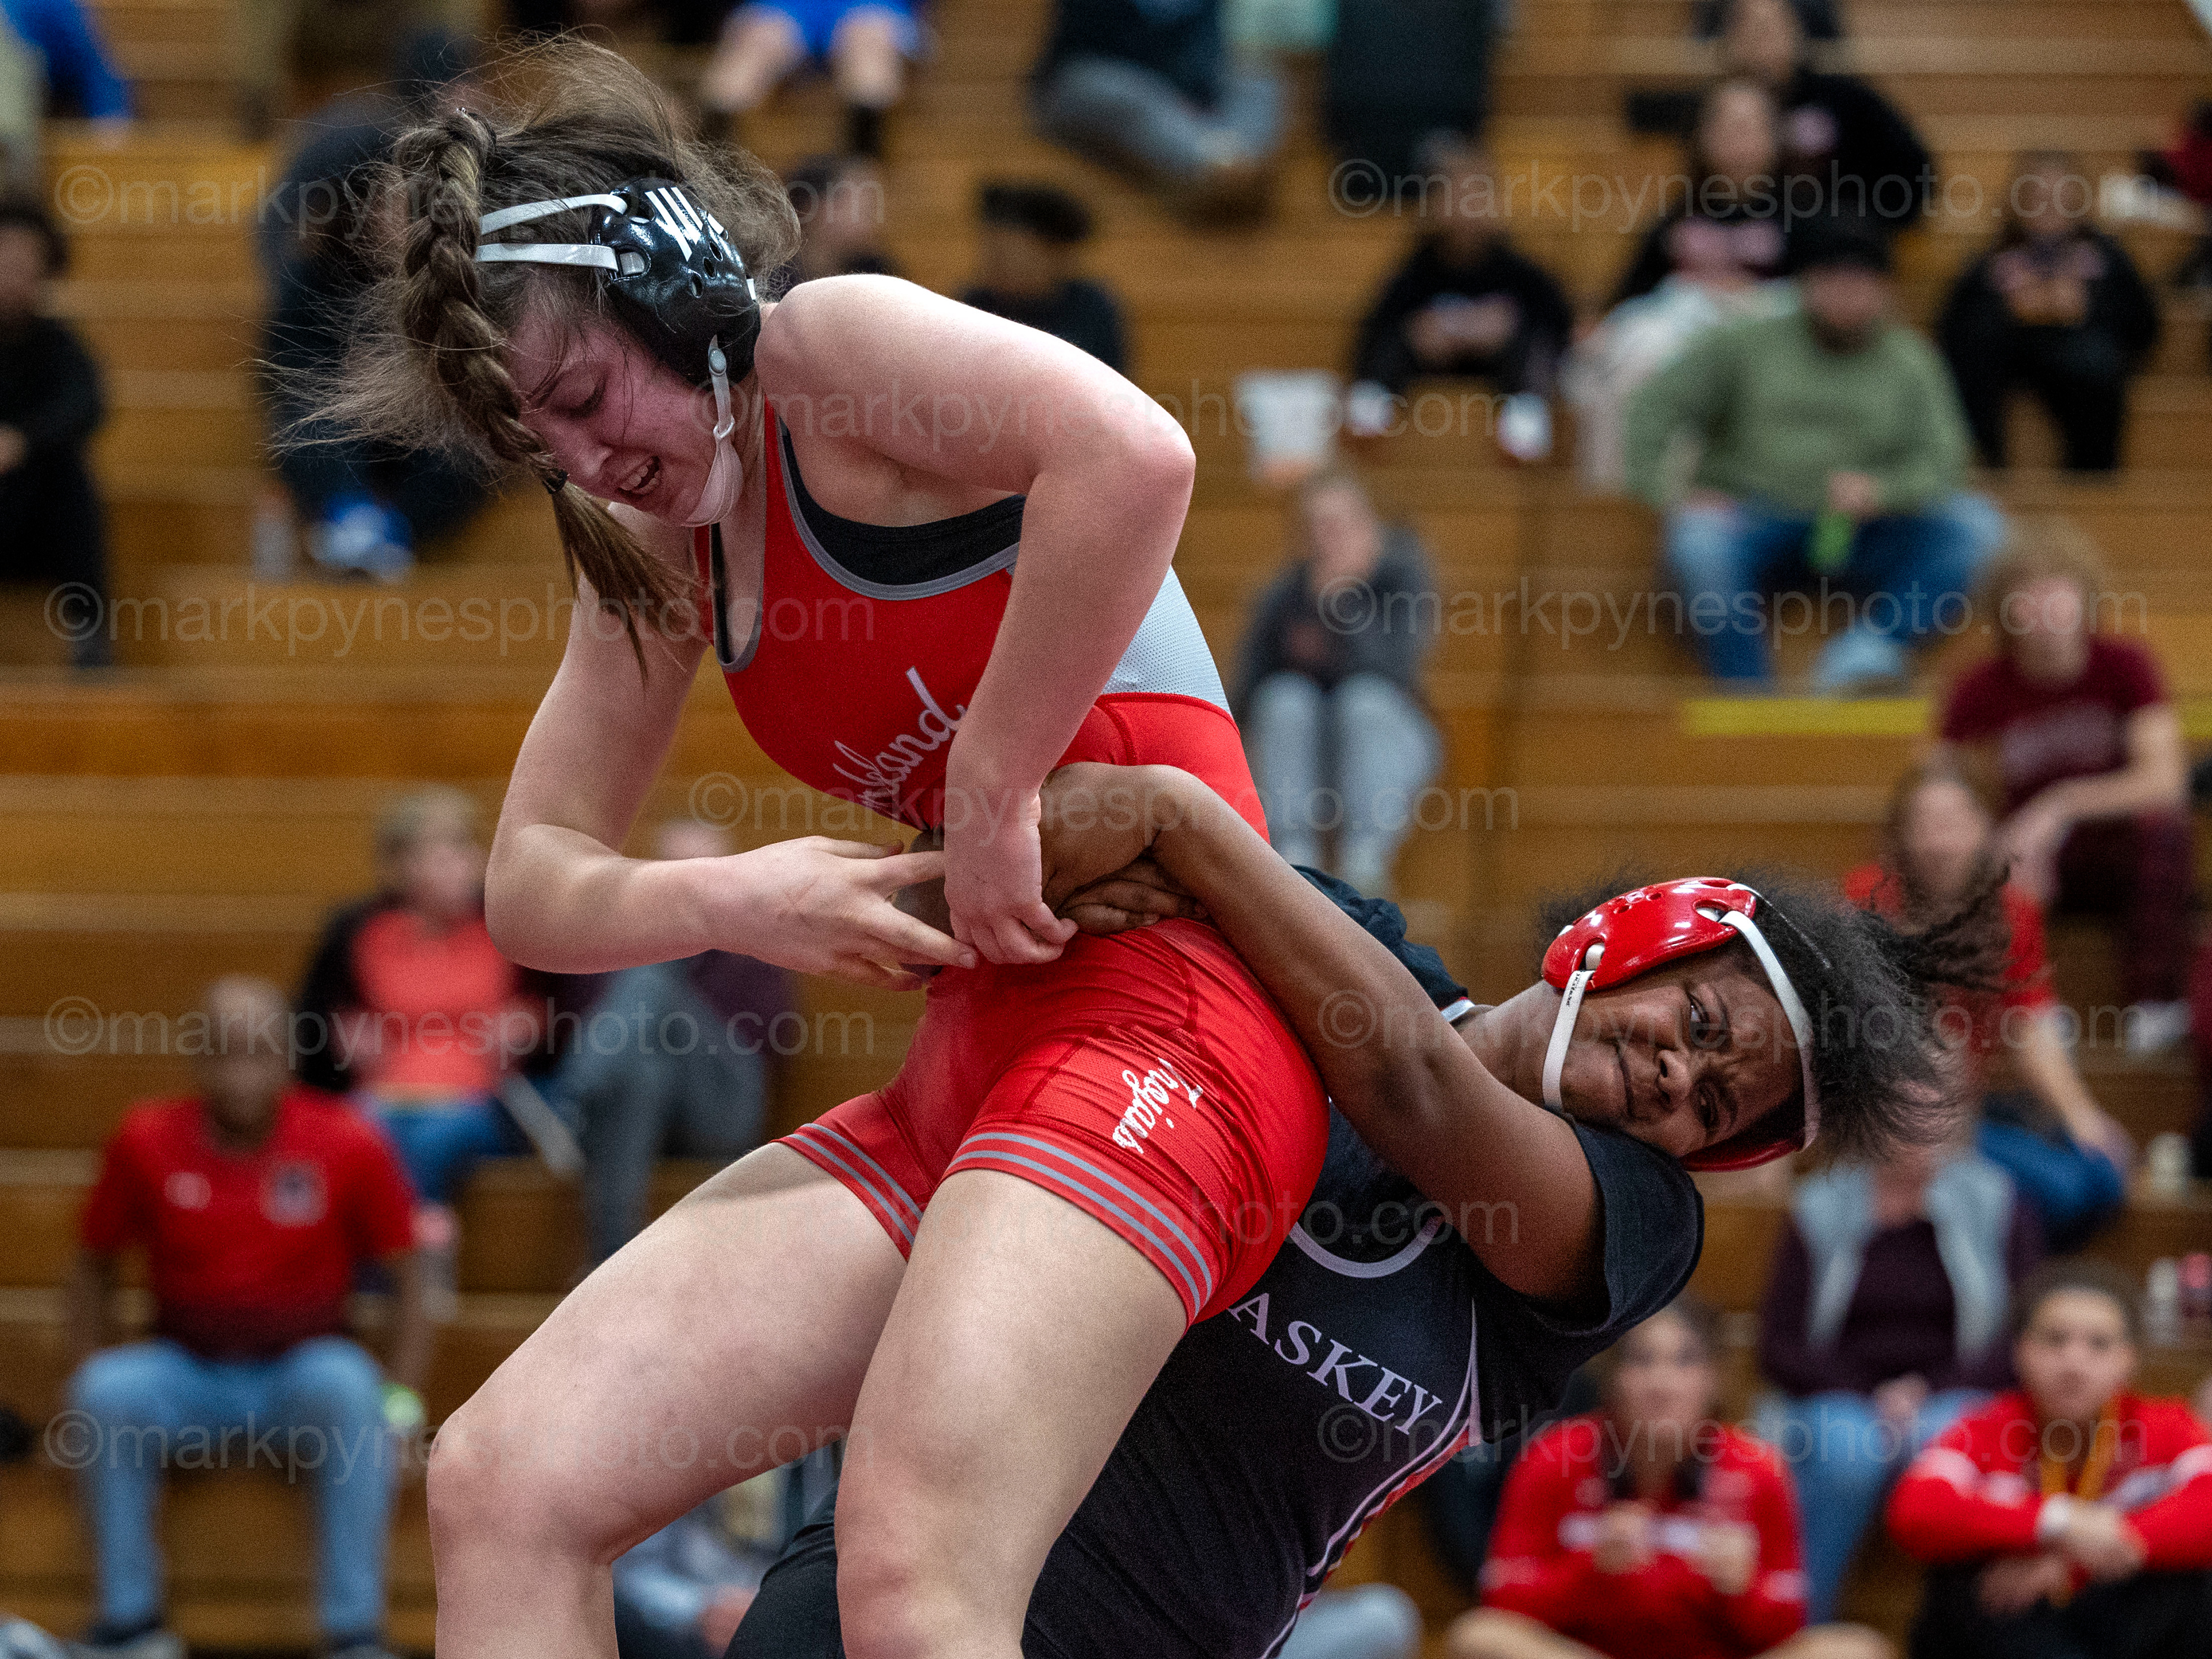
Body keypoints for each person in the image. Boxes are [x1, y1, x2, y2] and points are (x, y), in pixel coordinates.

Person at [306, 39, 1328, 1659]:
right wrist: (737, 895)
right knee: (504, 1482)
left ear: (675, 291)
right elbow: (534, 879)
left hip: (1175, 1028)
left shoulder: (831, 354)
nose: (586, 461)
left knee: (910, 1584)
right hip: (975, 1064)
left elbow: (1137, 458)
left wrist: (989, 787)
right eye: (538, 447)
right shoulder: (654, 539)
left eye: (583, 398)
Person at [722, 751, 2010, 1659]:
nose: (1681, 1077)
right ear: (1641, 935)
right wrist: (1096, 869)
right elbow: (969, 894)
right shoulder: (1336, 933)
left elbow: (1413, 1083)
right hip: (873, 1592)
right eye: (1702, 1023)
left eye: (1715, 1106)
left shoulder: (1639, 1227)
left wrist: (1179, 827)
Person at [63, 977, 429, 1659]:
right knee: (106, 1393)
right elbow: (91, 1266)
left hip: (302, 1371)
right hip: (185, 1371)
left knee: (353, 1388)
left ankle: (354, 1633)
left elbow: (411, 1281)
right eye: (224, 1052)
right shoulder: (146, 1138)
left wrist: (403, 1404)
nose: (240, 1072)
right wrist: (87, 1359)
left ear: (288, 1056)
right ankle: (130, 1624)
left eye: (257, 1052)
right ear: (197, 1058)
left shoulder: (346, 1140)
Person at [1627, 217, 2002, 691]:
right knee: (1697, 541)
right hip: (1752, 519)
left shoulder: (1913, 363)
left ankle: (1868, 650)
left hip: (1865, 529)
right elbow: (1655, 405)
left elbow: (1946, 459)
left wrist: (1885, 491)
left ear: (1886, 291)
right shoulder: (1745, 343)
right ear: (1804, 284)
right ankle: (1748, 695)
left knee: (1978, 526)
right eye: (1833, 282)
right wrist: (1670, 491)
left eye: (1861, 284)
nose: (1847, 298)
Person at [1453, 1297, 1888, 1659]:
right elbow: (1502, 1598)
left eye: (1685, 1361)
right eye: (1642, 1361)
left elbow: (1788, 1619)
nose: (1661, 1383)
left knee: (1855, 1650)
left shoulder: (1757, 1468)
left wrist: (1741, 1589)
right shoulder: (1555, 1458)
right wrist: (1588, 1570)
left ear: (1713, 1381)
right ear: (1614, 1380)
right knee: (1479, 1637)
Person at [293, 786, 568, 1305]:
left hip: (479, 1100)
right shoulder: (360, 933)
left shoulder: (510, 928)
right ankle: (408, 1252)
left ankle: (397, 1272)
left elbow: (564, 1022)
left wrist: (532, 1030)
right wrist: (341, 1045)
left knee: (436, 1139)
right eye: (444, 850)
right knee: (361, 1133)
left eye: (468, 847)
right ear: (401, 867)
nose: (466, 863)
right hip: (386, 1091)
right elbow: (313, 1033)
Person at [1755, 1131, 2041, 1622]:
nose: (1919, 1126)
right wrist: (1871, 1392)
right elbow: (1778, 1346)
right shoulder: (1819, 1206)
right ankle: (1800, 1626)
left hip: (1954, 1388)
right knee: (1849, 1453)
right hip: (1840, 1391)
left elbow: (2024, 1336)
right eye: (1903, 1106)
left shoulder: (1995, 1201)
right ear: (1870, 1115)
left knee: (1947, 1443)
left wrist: (1928, 1389)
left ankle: (1965, 1628)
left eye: (1932, 1107)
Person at [1933, 522, 2195, 1056]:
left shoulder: (2126, 665)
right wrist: (1997, 837)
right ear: (2005, 609)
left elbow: (2166, 781)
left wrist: (2058, 805)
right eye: (2026, 593)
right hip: (2030, 863)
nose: (2044, 606)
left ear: (2086, 594)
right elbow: (1932, 788)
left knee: (2165, 829)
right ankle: (2030, 1011)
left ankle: (2156, 1003)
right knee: (1963, 859)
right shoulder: (1981, 686)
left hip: (2120, 857)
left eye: (2057, 588)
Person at [1846, 763, 2132, 1249]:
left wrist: (2081, 1115)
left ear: (1984, 829)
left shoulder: (2011, 910)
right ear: (1902, 836)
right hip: (1898, 1117)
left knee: (2104, 1176)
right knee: (2062, 1192)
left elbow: (2031, 1023)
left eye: (1957, 822)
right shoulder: (1866, 900)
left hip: (1972, 1109)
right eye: (1927, 825)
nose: (1943, 842)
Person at [1886, 1258, 2212, 1658]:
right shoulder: (1985, 1427)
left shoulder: (2169, 1427)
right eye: (2055, 1340)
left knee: (2193, 1578)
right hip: (2013, 1625)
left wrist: (2074, 1562)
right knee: (1958, 1576)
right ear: (2020, 1350)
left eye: (2099, 1344)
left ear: (2129, 1358)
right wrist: (2058, 1522)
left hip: (2121, 1619)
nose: (2074, 1363)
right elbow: (1916, 1511)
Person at [259, 31, 493, 581]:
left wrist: (406, 380)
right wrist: (349, 385)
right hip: (342, 418)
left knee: (472, 447)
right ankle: (351, 519)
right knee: (304, 426)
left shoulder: (452, 273)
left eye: (414, 203)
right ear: (362, 211)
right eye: (391, 202)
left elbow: (484, 361)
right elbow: (287, 367)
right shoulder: (318, 277)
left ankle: (390, 530)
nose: (402, 217)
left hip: (429, 420)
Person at [548, 817, 791, 1266]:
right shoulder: (616, 941)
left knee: (652, 980)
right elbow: (569, 1021)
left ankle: (573, 1096)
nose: (692, 885)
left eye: (706, 871)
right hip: (636, 1108)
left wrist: (677, 1008)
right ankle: (609, 1259)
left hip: (721, 1109)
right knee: (641, 1073)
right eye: (678, 871)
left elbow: (768, 1040)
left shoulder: (759, 942)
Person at [1569, 77, 1796, 493]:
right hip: (1679, 339)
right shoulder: (1677, 217)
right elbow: (1631, 296)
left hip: (1761, 345)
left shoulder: (1802, 217)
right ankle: (1622, 501)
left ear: (1774, 139)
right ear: (1704, 139)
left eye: (1750, 129)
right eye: (1727, 128)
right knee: (1630, 358)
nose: (1739, 142)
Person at [1231, 467, 1440, 896]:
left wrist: (1344, 602)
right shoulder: (1286, 592)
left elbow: (1395, 673)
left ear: (1369, 526)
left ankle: (1365, 861)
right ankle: (1294, 859)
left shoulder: (1401, 581)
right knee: (1285, 699)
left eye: (1340, 524)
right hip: (1307, 758)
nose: (1329, 538)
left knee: (1363, 702)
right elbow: (1248, 688)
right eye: (1317, 527)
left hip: (1389, 739)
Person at [1343, 138, 1574, 460]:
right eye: (1455, 195)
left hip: (1501, 372)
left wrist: (1505, 328)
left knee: (1532, 343)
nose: (1467, 208)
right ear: (1433, 204)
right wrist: (1419, 331)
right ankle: (1371, 408)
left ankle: (1526, 416)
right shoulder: (1414, 272)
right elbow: (1375, 327)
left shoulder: (1521, 273)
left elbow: (1559, 324)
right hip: (1428, 367)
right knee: (1392, 339)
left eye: (1478, 196)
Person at [1938, 153, 2161, 475]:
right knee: (1978, 350)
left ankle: (2092, 478)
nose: (2050, 209)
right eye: (2038, 199)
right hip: (2008, 359)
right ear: (2017, 203)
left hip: (2079, 363)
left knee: (2098, 363)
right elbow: (1952, 329)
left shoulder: (2106, 257)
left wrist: (2088, 308)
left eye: (2061, 199)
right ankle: (1987, 470)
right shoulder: (1994, 257)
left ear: (2079, 201)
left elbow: (2144, 330)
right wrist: (2008, 309)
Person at [1030, 0, 1284, 220]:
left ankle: (1239, 159)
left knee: (1257, 80)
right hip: (1083, 83)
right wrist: (1178, 92)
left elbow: (1209, 54)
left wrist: (1193, 91)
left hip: (1180, 98)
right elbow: (1093, 42)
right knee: (1129, 90)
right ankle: (1213, 164)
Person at [0, 195, 109, 668]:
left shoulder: (56, 344)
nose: (12, 276)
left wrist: (21, 441)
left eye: (26, 265)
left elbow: (87, 405)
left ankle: (91, 635)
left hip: (32, 517)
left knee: (70, 476)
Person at [1718, 0, 1931, 233]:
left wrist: (1859, 227)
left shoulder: (1844, 98)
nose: (1761, 43)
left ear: (1796, 32)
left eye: (1769, 28)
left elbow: (1914, 171)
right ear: (1732, 39)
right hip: (1753, 245)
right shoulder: (1720, 108)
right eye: (1749, 29)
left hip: (1834, 247)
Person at [696, 0, 914, 158]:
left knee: (868, 53)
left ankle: (863, 160)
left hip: (869, 7)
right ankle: (711, 153)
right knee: (747, 58)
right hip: (784, 7)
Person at [957, 181, 1127, 376]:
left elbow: (1110, 383)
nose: (990, 263)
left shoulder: (1091, 308)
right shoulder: (975, 303)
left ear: (1052, 253)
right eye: (989, 251)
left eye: (1003, 254)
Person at [771, 153, 900, 291]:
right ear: (816, 206)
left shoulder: (877, 271)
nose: (870, 210)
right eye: (861, 199)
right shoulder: (774, 278)